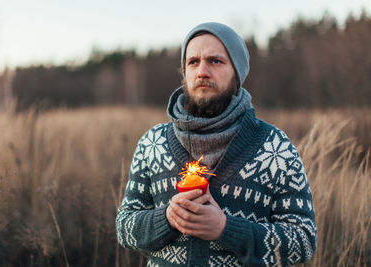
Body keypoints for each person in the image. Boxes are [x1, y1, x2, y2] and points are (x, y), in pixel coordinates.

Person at [116, 22, 317, 266]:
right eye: (193, 62)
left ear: (237, 74)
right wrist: (167, 219)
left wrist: (226, 229)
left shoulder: (275, 148)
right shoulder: (152, 144)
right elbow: (124, 228)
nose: (202, 71)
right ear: (184, 72)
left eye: (215, 61)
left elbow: (304, 241)